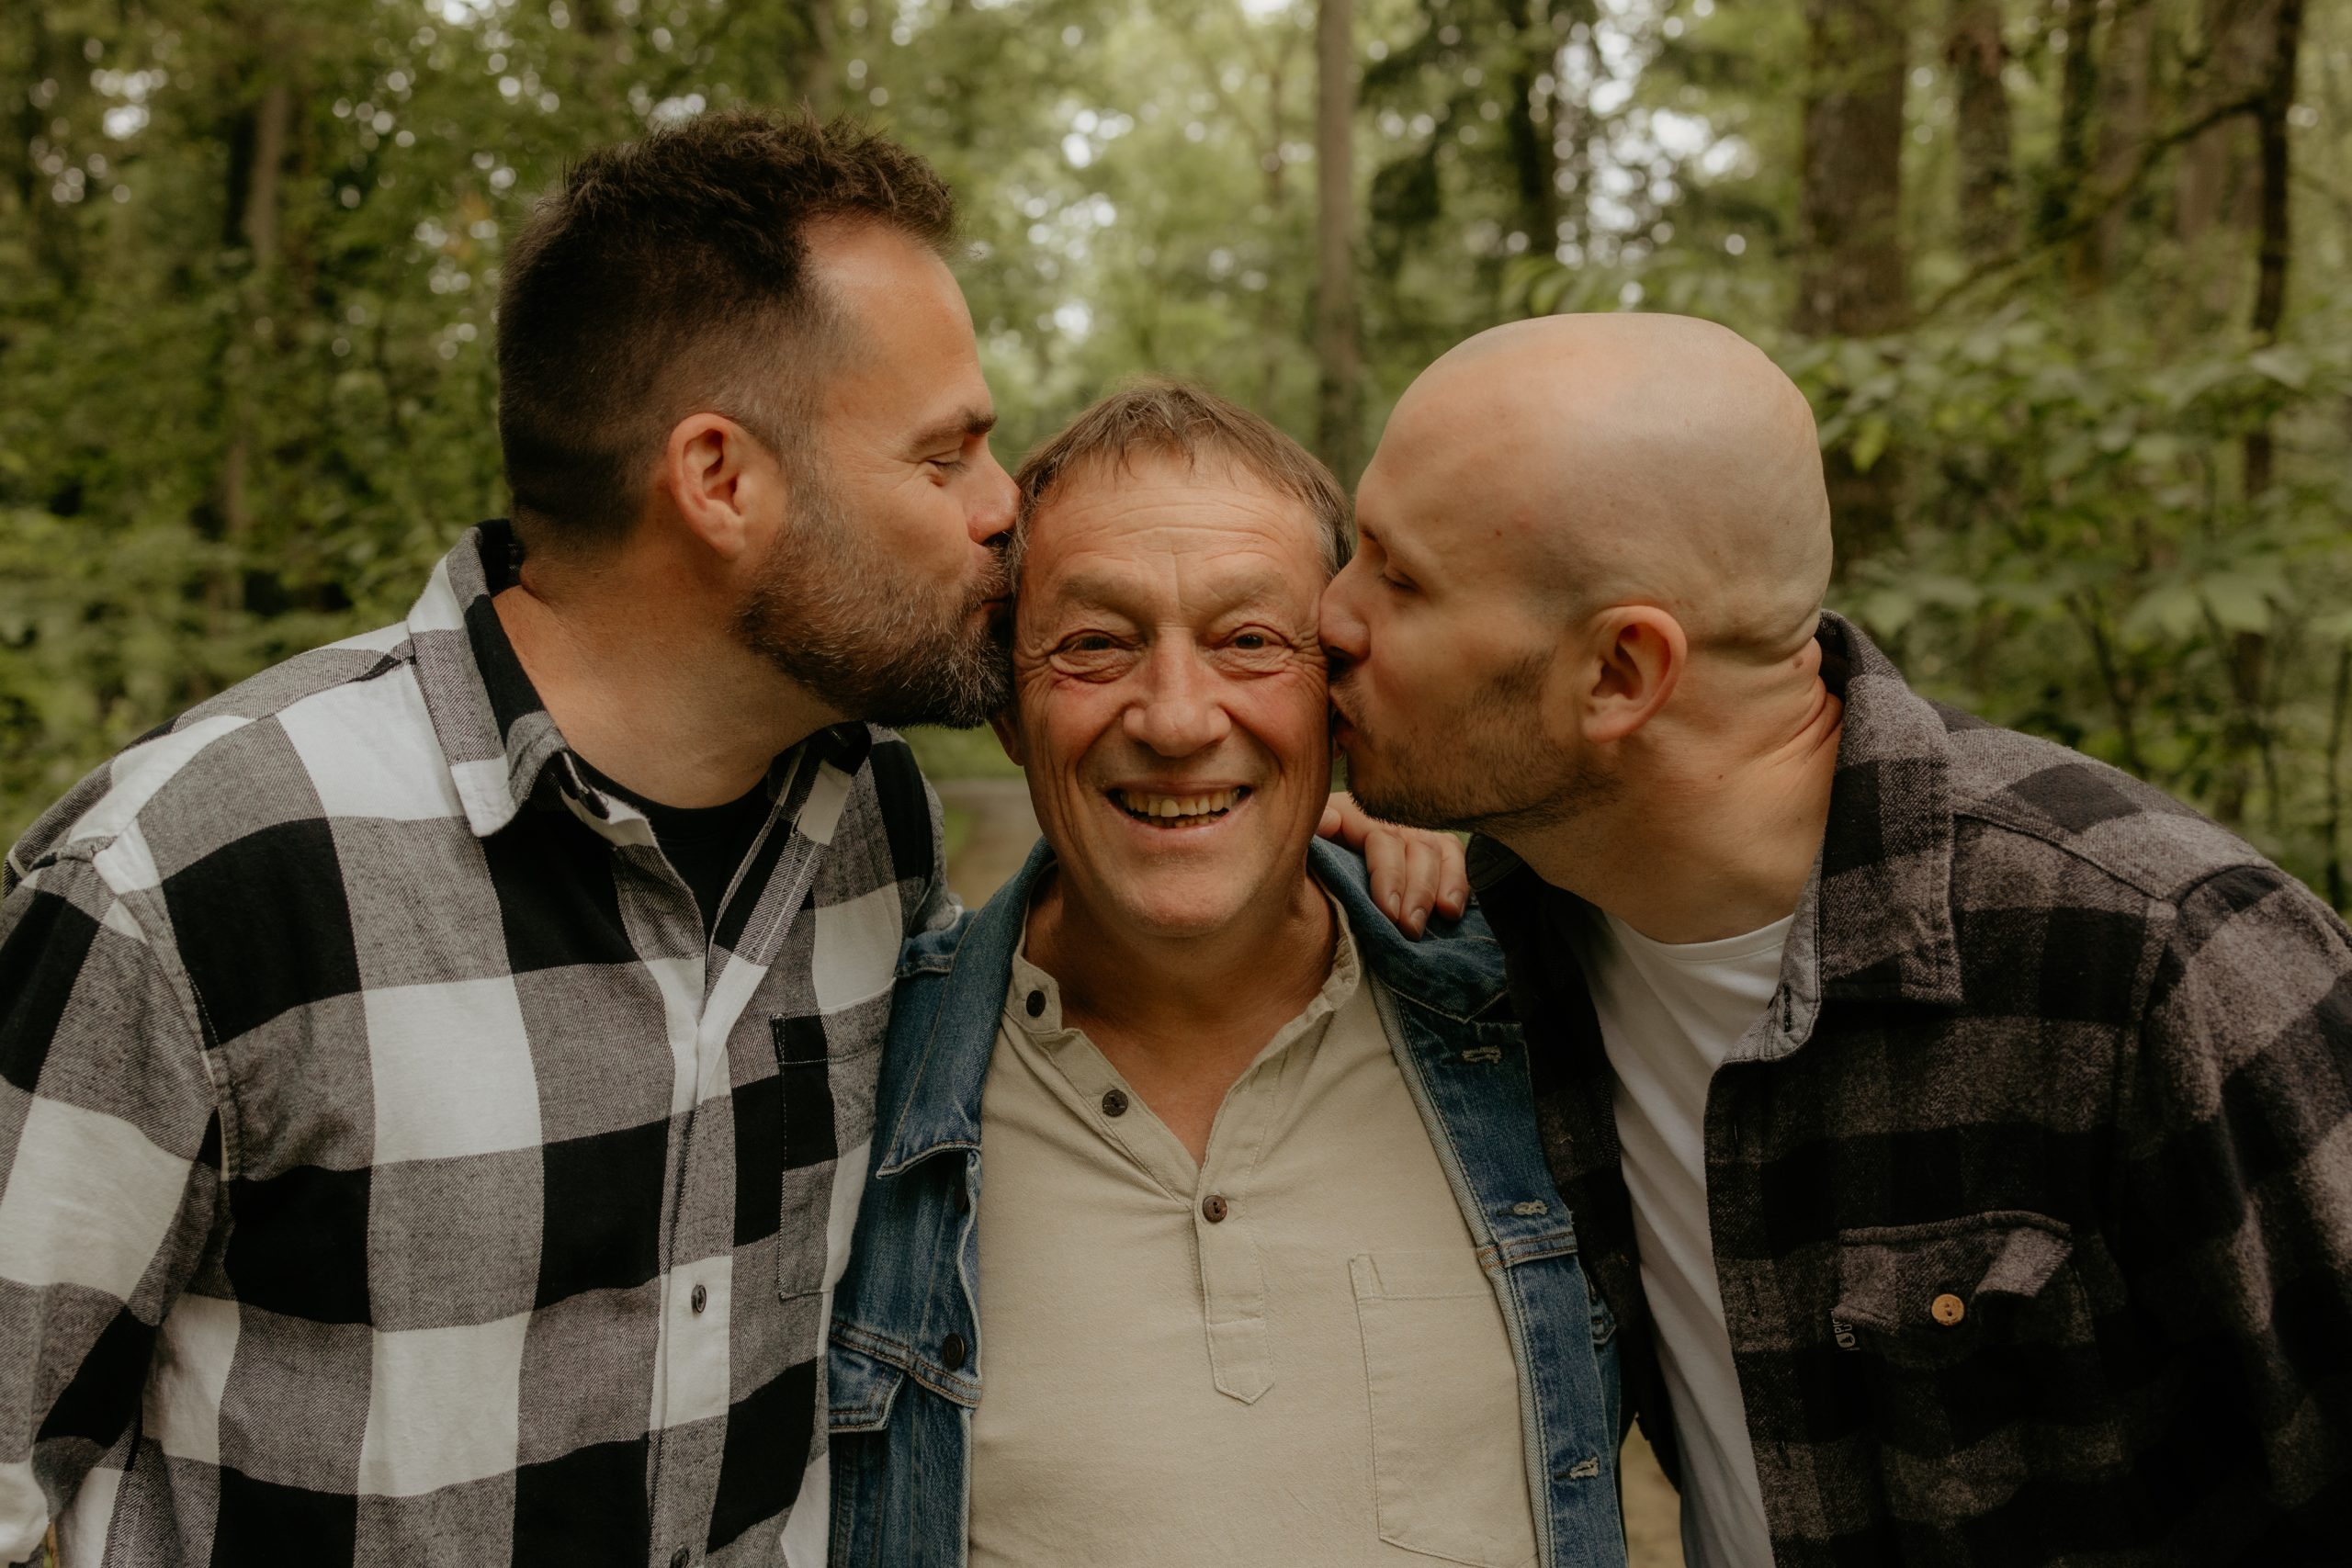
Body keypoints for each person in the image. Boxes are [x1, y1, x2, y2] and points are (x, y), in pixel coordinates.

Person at [0, 114, 1445, 1568]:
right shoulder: (190, 879)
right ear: (720, 481)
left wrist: (1321, 786)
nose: (1006, 510)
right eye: (948, 455)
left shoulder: (871, 828)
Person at [1319, 311, 2352, 1566]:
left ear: (1620, 675)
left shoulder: (2159, 964)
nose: (1329, 616)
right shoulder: (1499, 951)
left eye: (1400, 578)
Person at [826, 383, 1628, 1568]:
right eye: (1095, 643)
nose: (1177, 716)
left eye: (1251, 641)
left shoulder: (1542, 1013)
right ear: (1007, 706)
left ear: (1338, 692)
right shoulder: (863, 1080)